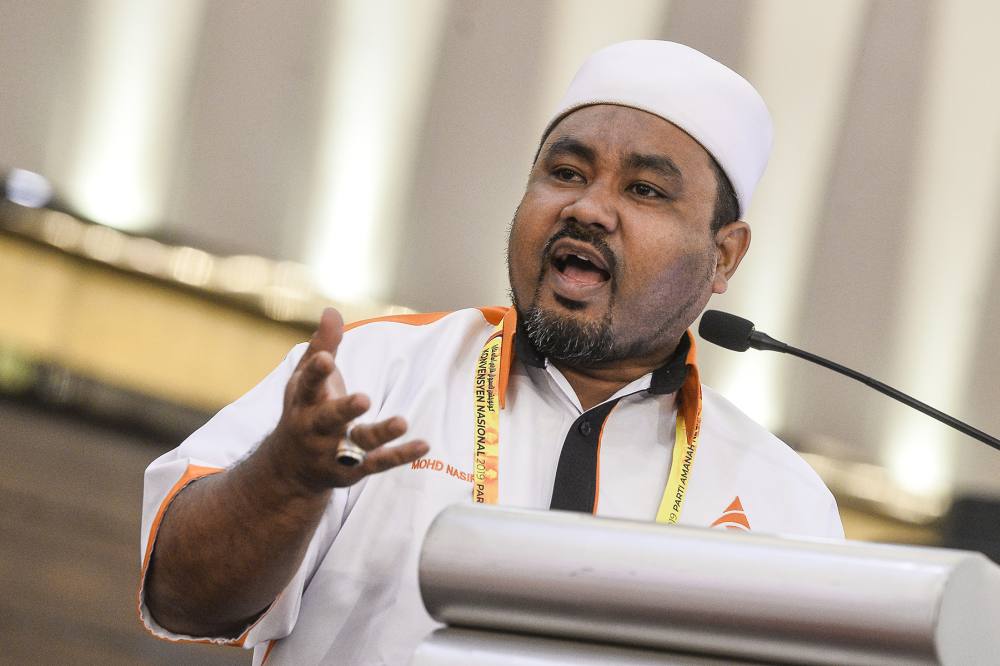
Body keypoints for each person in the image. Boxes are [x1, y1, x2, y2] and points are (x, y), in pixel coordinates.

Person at [139, 40, 843, 664]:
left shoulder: (782, 500)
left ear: (724, 256)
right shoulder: (374, 374)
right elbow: (180, 599)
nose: (588, 208)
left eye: (644, 190)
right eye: (566, 173)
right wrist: (285, 482)